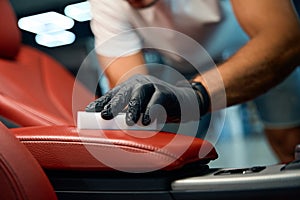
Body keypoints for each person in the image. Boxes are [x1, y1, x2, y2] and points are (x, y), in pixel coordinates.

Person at [86, 0, 300, 163]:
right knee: (169, 154)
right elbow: (131, 91)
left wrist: (195, 96)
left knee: (290, 141)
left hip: (252, 48)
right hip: (181, 63)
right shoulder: (106, 3)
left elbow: (285, 37)